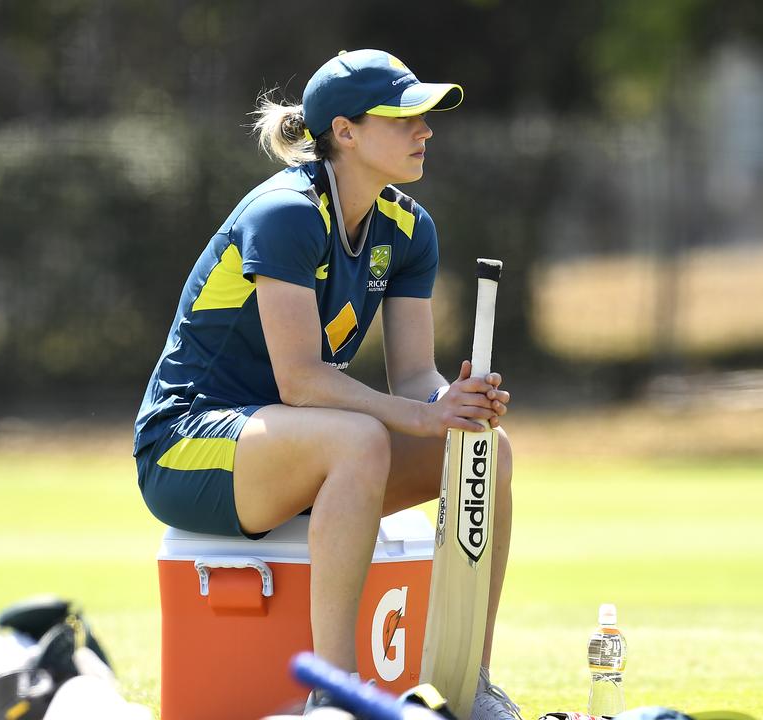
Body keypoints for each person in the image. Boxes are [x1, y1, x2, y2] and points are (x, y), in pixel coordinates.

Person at [132, 49, 518, 720]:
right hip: (184, 446)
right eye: (404, 118)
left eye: (425, 118)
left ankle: (469, 683)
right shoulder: (285, 212)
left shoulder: (409, 229)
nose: (425, 130)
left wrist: (455, 407)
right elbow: (302, 380)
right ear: (345, 131)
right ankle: (334, 699)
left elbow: (416, 378)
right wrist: (419, 417)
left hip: (297, 447)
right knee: (360, 441)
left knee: (490, 450)